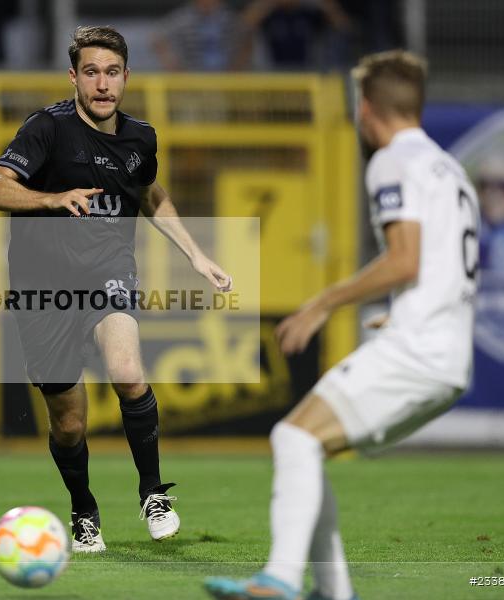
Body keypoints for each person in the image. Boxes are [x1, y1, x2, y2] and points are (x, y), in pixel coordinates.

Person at [205, 50, 479, 600]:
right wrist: (405, 308)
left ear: (367, 108)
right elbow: (448, 265)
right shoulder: (450, 170)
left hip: (419, 350)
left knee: (292, 436)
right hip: (447, 352)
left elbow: (404, 261)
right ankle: (332, 591)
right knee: (306, 444)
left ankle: (281, 579)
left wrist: (324, 303)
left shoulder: (391, 162)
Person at [0, 26, 232, 553]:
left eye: (112, 72)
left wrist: (195, 253)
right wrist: (51, 199)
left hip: (106, 270)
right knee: (70, 424)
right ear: (73, 77)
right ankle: (83, 509)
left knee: (128, 371)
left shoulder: (140, 138)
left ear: (126, 76)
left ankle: (153, 494)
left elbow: (150, 193)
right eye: (91, 72)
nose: (102, 84)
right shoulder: (47, 129)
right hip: (42, 289)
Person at [152, 0, 245, 72]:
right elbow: (156, 37)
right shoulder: (183, 19)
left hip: (226, 79)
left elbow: (245, 39)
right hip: (193, 79)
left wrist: (236, 69)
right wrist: (174, 68)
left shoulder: (230, 19)